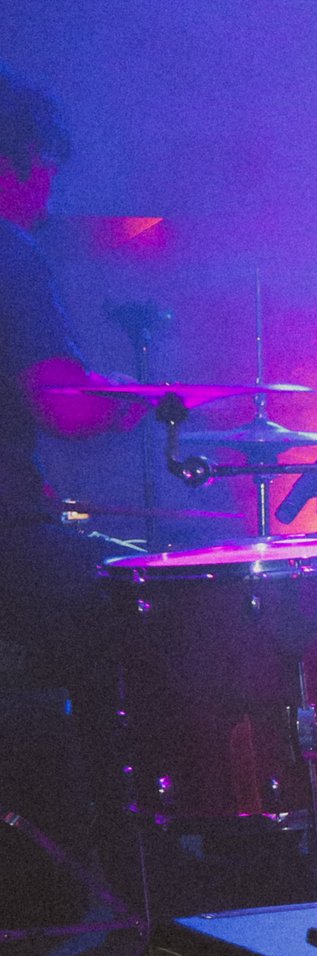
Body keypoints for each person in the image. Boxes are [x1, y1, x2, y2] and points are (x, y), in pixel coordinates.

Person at [0, 67, 131, 870]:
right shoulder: (13, 256)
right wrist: (139, 399)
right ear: (21, 159)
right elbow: (64, 407)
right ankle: (124, 870)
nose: (51, 184)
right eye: (47, 162)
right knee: (139, 610)